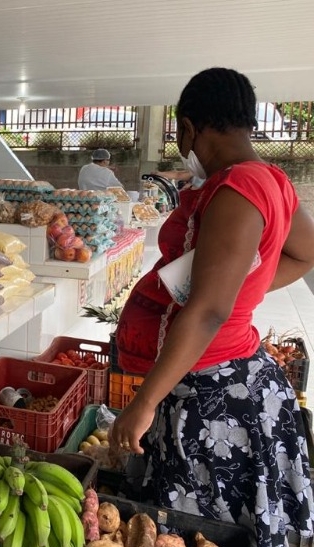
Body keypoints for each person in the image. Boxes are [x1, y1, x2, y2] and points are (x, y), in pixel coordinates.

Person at [110, 68, 314, 546]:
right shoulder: (271, 180)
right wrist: (240, 290)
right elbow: (305, 252)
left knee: (199, 530)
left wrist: (144, 404)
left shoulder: (236, 190)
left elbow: (206, 312)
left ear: (187, 127)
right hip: (237, 381)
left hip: (215, 399)